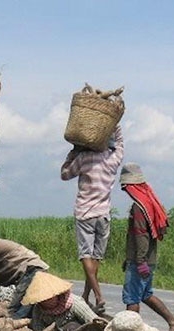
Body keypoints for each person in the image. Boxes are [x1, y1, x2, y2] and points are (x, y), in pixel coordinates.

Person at [60, 125, 124, 314]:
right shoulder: (113, 159)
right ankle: (86, 295)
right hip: (104, 214)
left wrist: (73, 153)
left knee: (86, 255)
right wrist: (114, 122)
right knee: (96, 257)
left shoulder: (84, 158)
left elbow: (64, 174)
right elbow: (120, 143)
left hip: (85, 213)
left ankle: (98, 295)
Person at [119, 163, 174, 331]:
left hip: (141, 260)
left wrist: (139, 261)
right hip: (147, 259)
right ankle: (173, 322)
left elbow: (141, 235)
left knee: (132, 299)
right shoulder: (149, 203)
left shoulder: (139, 207)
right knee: (145, 295)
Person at [22, 271, 97, 331]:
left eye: (49, 298)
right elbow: (38, 329)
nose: (46, 302)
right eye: (43, 300)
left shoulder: (75, 303)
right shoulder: (38, 309)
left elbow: (94, 321)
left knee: (71, 327)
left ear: (56, 294)